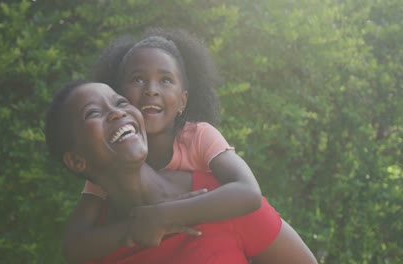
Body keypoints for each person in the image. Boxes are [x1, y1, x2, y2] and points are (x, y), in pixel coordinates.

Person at [45, 81, 318, 263]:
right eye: (92, 113)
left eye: (120, 102)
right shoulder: (92, 245)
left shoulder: (222, 198)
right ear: (77, 161)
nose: (117, 113)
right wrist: (132, 230)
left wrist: (161, 217)